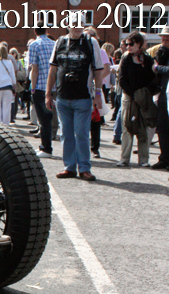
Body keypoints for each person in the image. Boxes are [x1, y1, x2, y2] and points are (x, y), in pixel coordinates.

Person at [47, 12, 104, 181]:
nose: (77, 27)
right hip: (63, 97)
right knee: (66, 134)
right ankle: (69, 167)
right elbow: (53, 69)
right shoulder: (60, 42)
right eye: (74, 23)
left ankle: (84, 168)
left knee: (81, 133)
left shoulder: (90, 42)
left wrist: (99, 94)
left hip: (83, 97)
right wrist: (48, 93)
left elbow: (98, 70)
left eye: (80, 24)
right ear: (68, 25)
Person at [116, 31, 155, 168]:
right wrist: (133, 94)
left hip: (143, 97)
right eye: (126, 44)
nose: (128, 46)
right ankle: (124, 158)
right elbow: (122, 79)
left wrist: (145, 93)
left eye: (131, 44)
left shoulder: (147, 59)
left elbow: (152, 78)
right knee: (127, 127)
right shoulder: (125, 58)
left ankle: (143, 159)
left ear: (139, 44)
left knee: (143, 127)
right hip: (128, 96)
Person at [29, 21, 57, 158]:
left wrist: (32, 88)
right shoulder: (54, 43)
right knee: (54, 118)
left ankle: (46, 147)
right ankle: (47, 146)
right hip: (56, 85)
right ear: (46, 30)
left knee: (44, 119)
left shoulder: (34, 45)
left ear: (35, 32)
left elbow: (35, 68)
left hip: (41, 85)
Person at [85, 27, 110, 159]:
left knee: (95, 119)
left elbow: (106, 69)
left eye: (90, 36)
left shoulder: (101, 51)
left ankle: (95, 148)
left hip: (95, 88)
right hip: (82, 88)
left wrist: (96, 81)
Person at [152, 26, 169, 170]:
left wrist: (158, 68)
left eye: (167, 37)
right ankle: (164, 158)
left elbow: (159, 68)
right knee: (162, 127)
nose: (164, 40)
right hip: (164, 93)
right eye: (163, 37)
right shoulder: (162, 51)